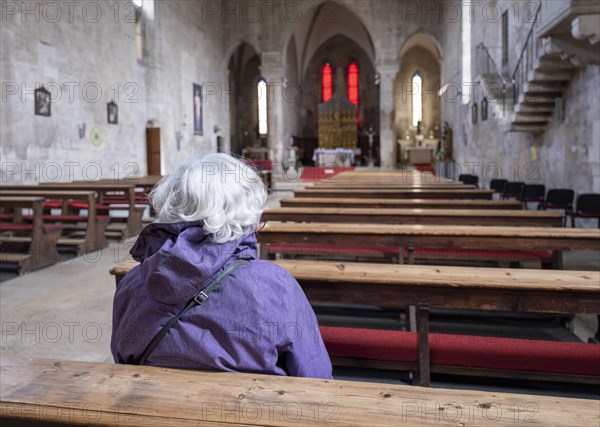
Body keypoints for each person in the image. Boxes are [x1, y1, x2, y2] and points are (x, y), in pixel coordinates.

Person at [111, 153, 332, 379]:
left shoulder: (132, 284)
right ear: (247, 213)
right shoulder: (275, 286)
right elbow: (316, 377)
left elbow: (121, 360)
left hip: (154, 410)